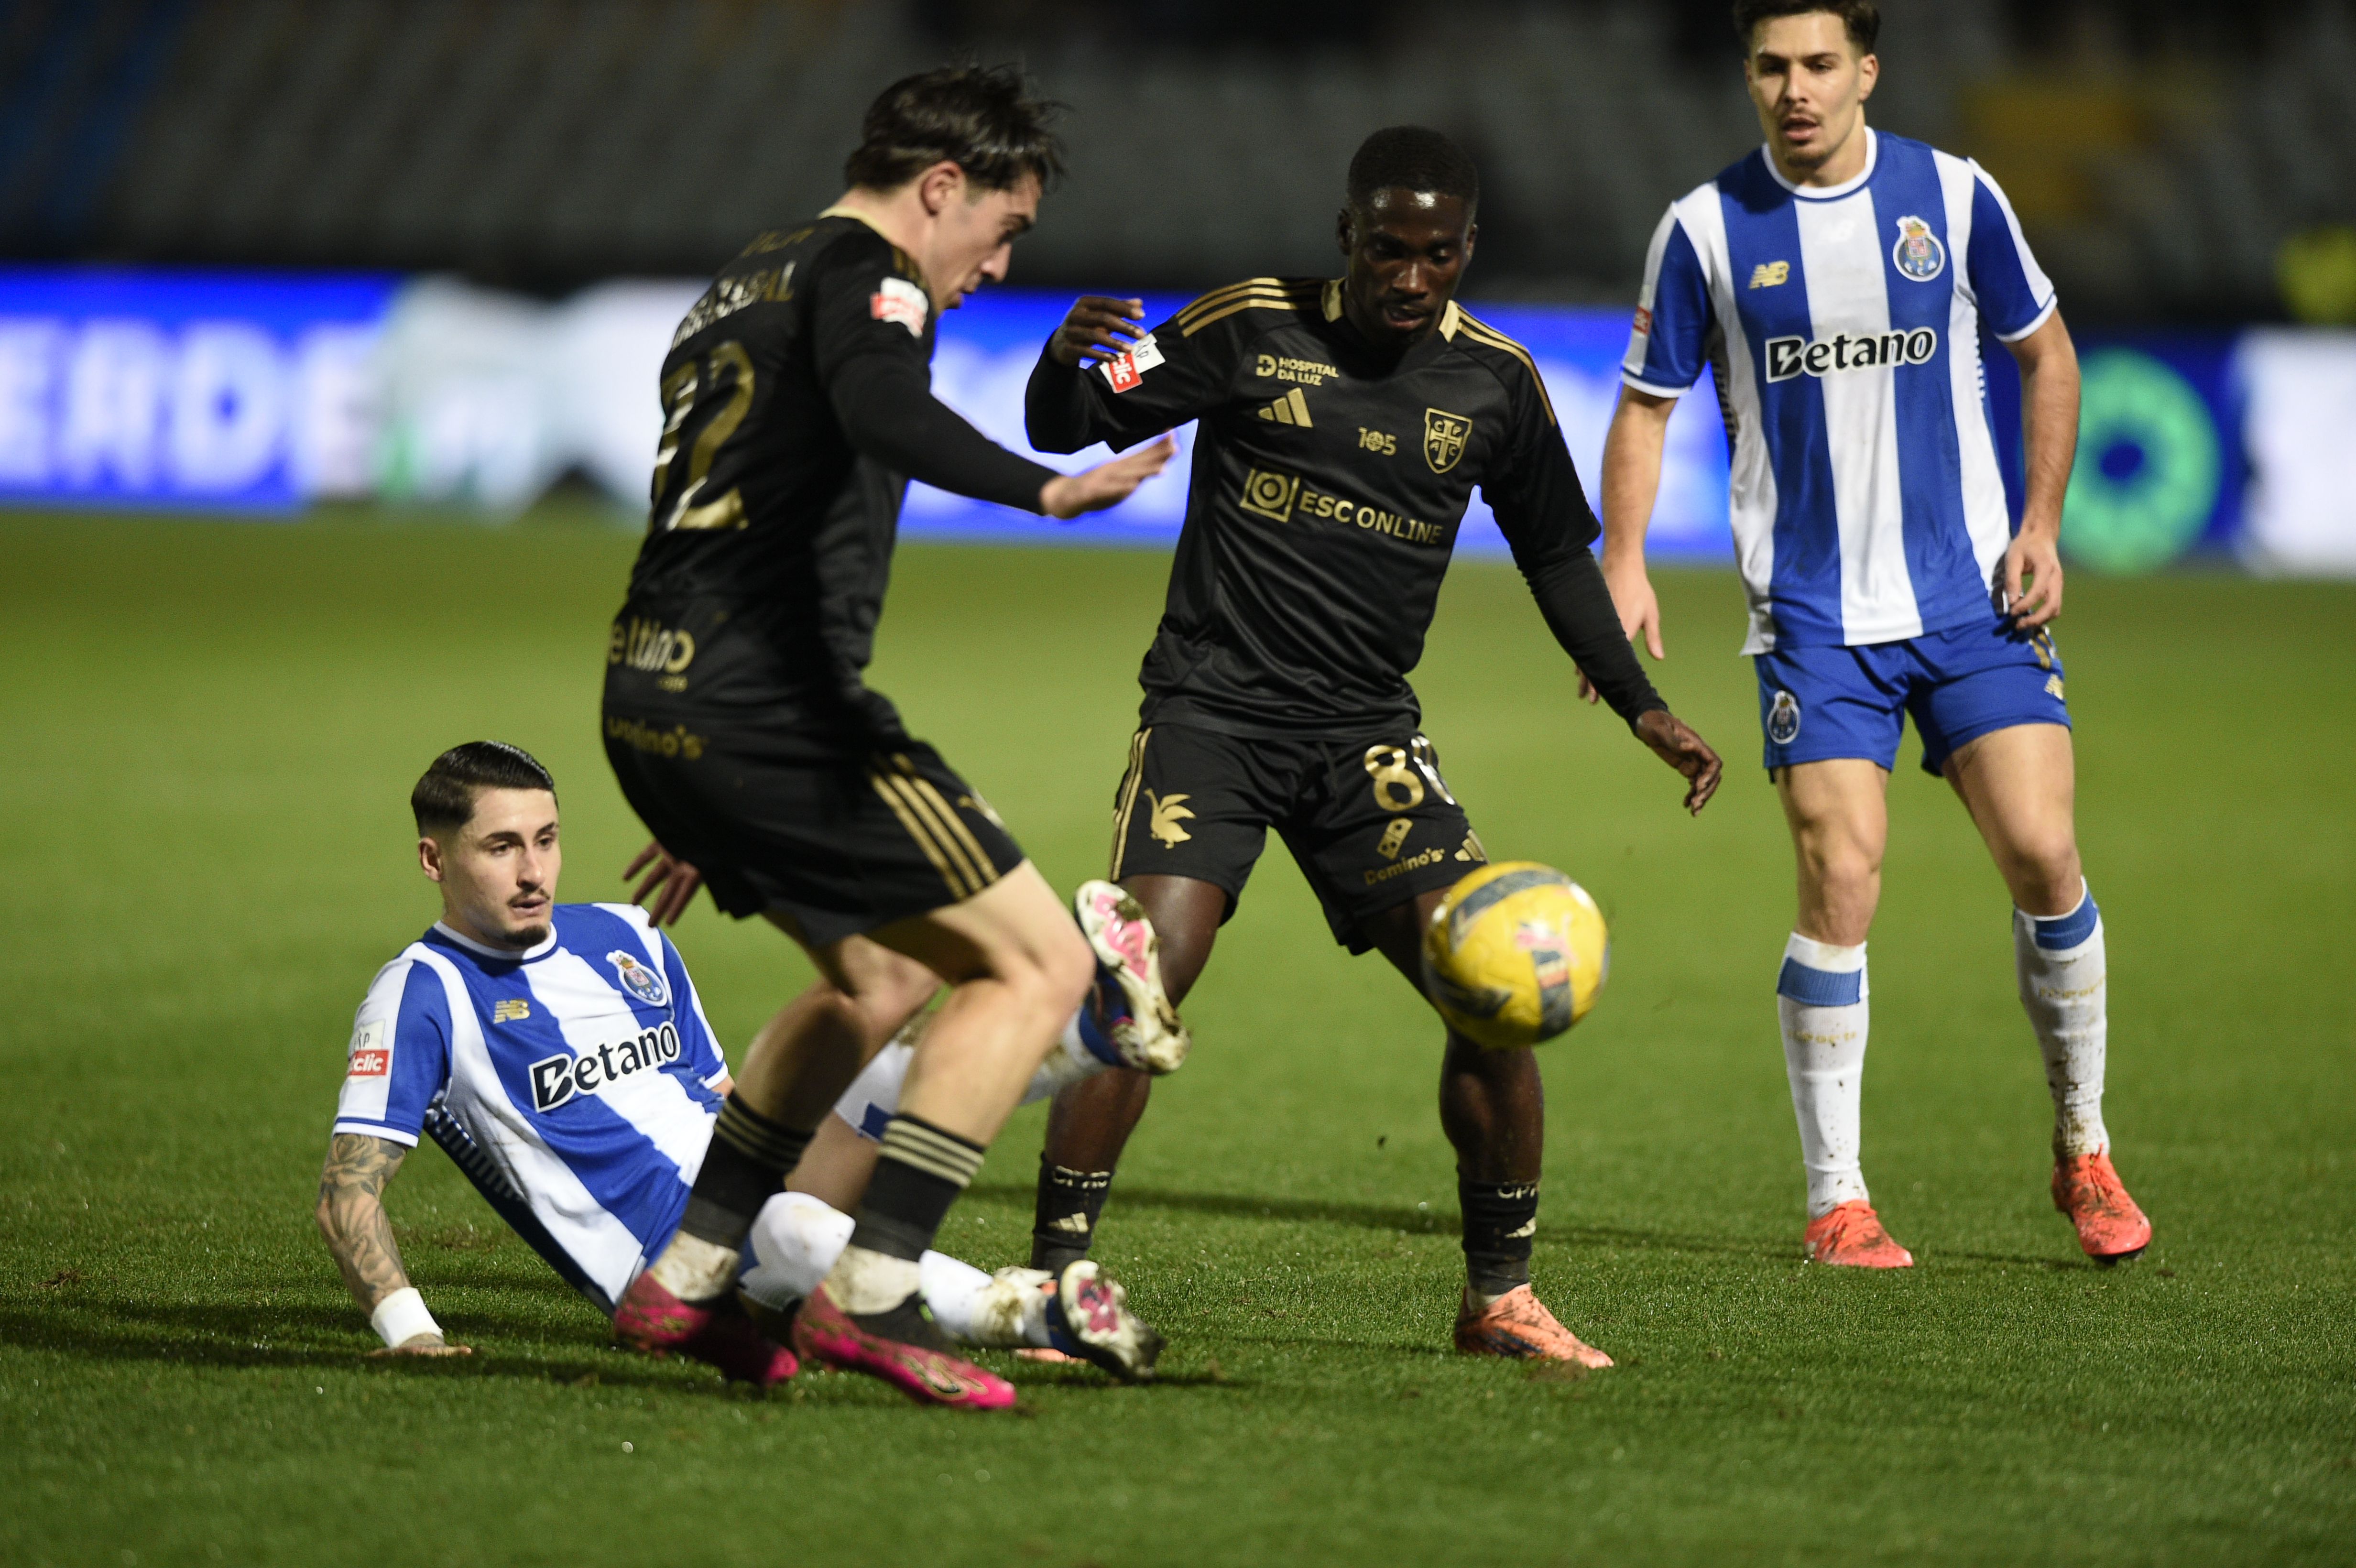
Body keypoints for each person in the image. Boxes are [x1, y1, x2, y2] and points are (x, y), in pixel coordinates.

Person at [1017, 126, 1725, 1367]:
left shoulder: (1495, 382)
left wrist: (1639, 703)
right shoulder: (1249, 323)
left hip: (1364, 739)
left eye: (1436, 254)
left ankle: (1499, 1298)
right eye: (1388, 248)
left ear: (1467, 248)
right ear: (1347, 235)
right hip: (1212, 720)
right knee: (1137, 987)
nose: (1410, 275)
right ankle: (1054, 1284)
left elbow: (1557, 553)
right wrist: (1056, 361)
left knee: (1490, 987)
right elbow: (1068, 423)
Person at [597, 64, 1182, 1408]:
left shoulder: (741, 279)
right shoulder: (875, 277)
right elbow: (880, 409)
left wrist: (707, 767)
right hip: (775, 707)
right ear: (941, 186)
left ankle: (687, 1277)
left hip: (657, 690)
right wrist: (1045, 487)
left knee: (877, 977)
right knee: (1040, 964)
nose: (999, 265)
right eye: (1004, 228)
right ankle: (872, 1289)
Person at [1597, 0, 2150, 1267]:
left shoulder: (1953, 197)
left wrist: (2042, 524)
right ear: (1748, 77)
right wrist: (1623, 560)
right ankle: (1836, 1199)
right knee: (1840, 877)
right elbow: (1644, 408)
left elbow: (2048, 355)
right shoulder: (1703, 229)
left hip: (1971, 600)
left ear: (1867, 72)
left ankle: (2083, 1146)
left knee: (2044, 854)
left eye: (1818, 64)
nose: (1795, 88)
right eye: (1771, 66)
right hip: (1814, 618)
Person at [315, 743, 1167, 1383]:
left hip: (747, 1172)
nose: (534, 871)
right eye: (501, 847)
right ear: (435, 859)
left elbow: (722, 1092)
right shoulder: (422, 992)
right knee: (792, 1229)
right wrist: (412, 1333)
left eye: (546, 839)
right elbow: (347, 1195)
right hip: (670, 1264)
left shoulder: (626, 933)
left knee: (877, 1047)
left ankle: (1096, 1033)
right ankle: (1040, 1313)